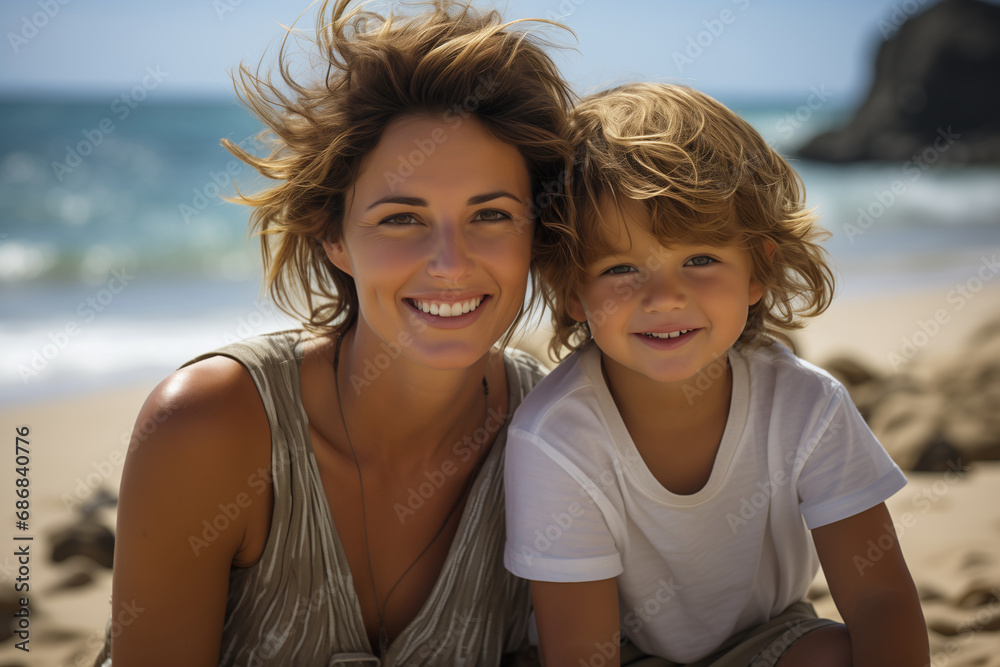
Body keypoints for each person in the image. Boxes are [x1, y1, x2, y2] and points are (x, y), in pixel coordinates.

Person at [93, 1, 574, 665]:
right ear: (333, 237)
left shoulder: (559, 436)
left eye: (491, 214)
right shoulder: (210, 425)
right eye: (403, 218)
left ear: (535, 235)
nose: (450, 262)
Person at [503, 83, 929, 666]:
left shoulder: (807, 404)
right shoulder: (556, 438)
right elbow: (581, 652)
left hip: (763, 640)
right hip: (619, 654)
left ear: (758, 270)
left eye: (700, 260)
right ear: (572, 291)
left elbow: (880, 597)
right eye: (621, 268)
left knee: (831, 653)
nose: (664, 298)